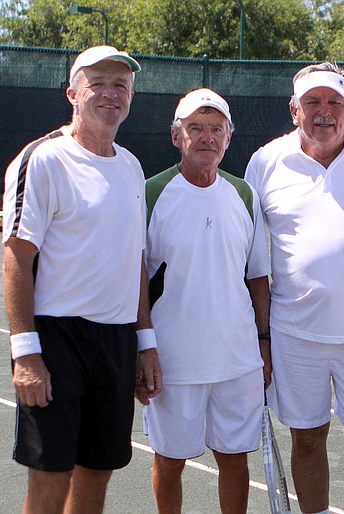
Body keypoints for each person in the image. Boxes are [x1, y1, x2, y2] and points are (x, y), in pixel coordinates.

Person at [1, 45, 162, 514]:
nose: (111, 94)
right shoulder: (44, 160)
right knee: (51, 475)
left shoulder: (131, 167)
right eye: (99, 83)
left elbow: (134, 258)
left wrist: (144, 342)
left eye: (121, 85)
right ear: (73, 93)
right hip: (55, 340)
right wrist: (26, 355)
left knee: (97, 469)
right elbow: (16, 257)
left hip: (114, 342)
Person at [245, 63, 344, 514]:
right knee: (307, 440)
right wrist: (262, 337)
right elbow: (252, 261)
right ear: (295, 110)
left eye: (334, 102)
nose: (324, 112)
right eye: (313, 102)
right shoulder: (265, 162)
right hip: (294, 337)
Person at [142, 88, 271, 514]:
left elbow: (257, 278)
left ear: (228, 138)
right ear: (177, 135)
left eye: (216, 129)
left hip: (237, 361)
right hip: (173, 362)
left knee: (234, 458)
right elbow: (134, 280)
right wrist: (141, 349)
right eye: (195, 128)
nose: (206, 137)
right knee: (170, 459)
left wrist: (263, 344)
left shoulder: (244, 195)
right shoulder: (150, 193)